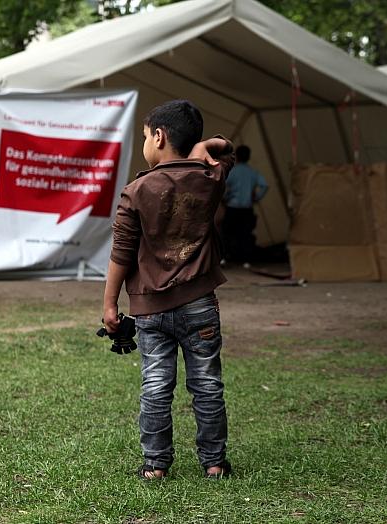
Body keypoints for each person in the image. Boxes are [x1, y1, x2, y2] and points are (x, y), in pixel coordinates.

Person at [102, 99, 235, 480]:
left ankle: (155, 466)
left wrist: (110, 304)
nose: (144, 143)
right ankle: (214, 464)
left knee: (156, 386)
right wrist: (205, 148)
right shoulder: (210, 177)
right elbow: (227, 150)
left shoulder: (137, 189)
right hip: (200, 305)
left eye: (145, 136)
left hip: (150, 310)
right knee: (207, 384)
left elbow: (122, 252)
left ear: (159, 137)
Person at [221, 145, 267, 264]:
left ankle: (225, 258)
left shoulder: (233, 171)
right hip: (247, 208)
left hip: (232, 207)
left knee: (227, 233)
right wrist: (256, 198)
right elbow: (264, 185)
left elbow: (223, 185)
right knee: (246, 234)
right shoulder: (253, 172)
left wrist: (226, 198)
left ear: (236, 156)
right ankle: (246, 260)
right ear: (249, 157)